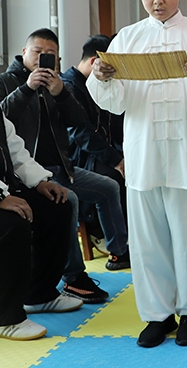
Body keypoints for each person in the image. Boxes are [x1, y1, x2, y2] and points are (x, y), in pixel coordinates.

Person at [88, 0, 187, 348]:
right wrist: (101, 77)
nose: (157, 1)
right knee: (148, 239)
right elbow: (113, 102)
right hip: (144, 151)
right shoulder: (128, 38)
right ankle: (157, 315)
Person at [0, 29, 127, 304]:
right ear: (24, 52)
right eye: (38, 52)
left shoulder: (59, 84)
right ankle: (74, 278)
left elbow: (78, 122)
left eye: (50, 55)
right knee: (69, 201)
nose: (43, 59)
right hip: (26, 175)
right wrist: (27, 89)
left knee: (109, 186)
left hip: (63, 167)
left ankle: (119, 252)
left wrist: (61, 93)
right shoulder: (0, 81)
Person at [0, 84, 81, 340]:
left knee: (57, 205)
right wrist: (1, 197)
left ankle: (39, 294)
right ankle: (5, 319)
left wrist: (39, 180)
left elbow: (14, 147)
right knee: (12, 225)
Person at [61, 35, 128, 228]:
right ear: (94, 63)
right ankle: (112, 240)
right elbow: (82, 134)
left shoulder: (95, 87)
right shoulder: (68, 87)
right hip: (78, 157)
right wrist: (116, 160)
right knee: (117, 178)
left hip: (97, 152)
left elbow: (115, 125)